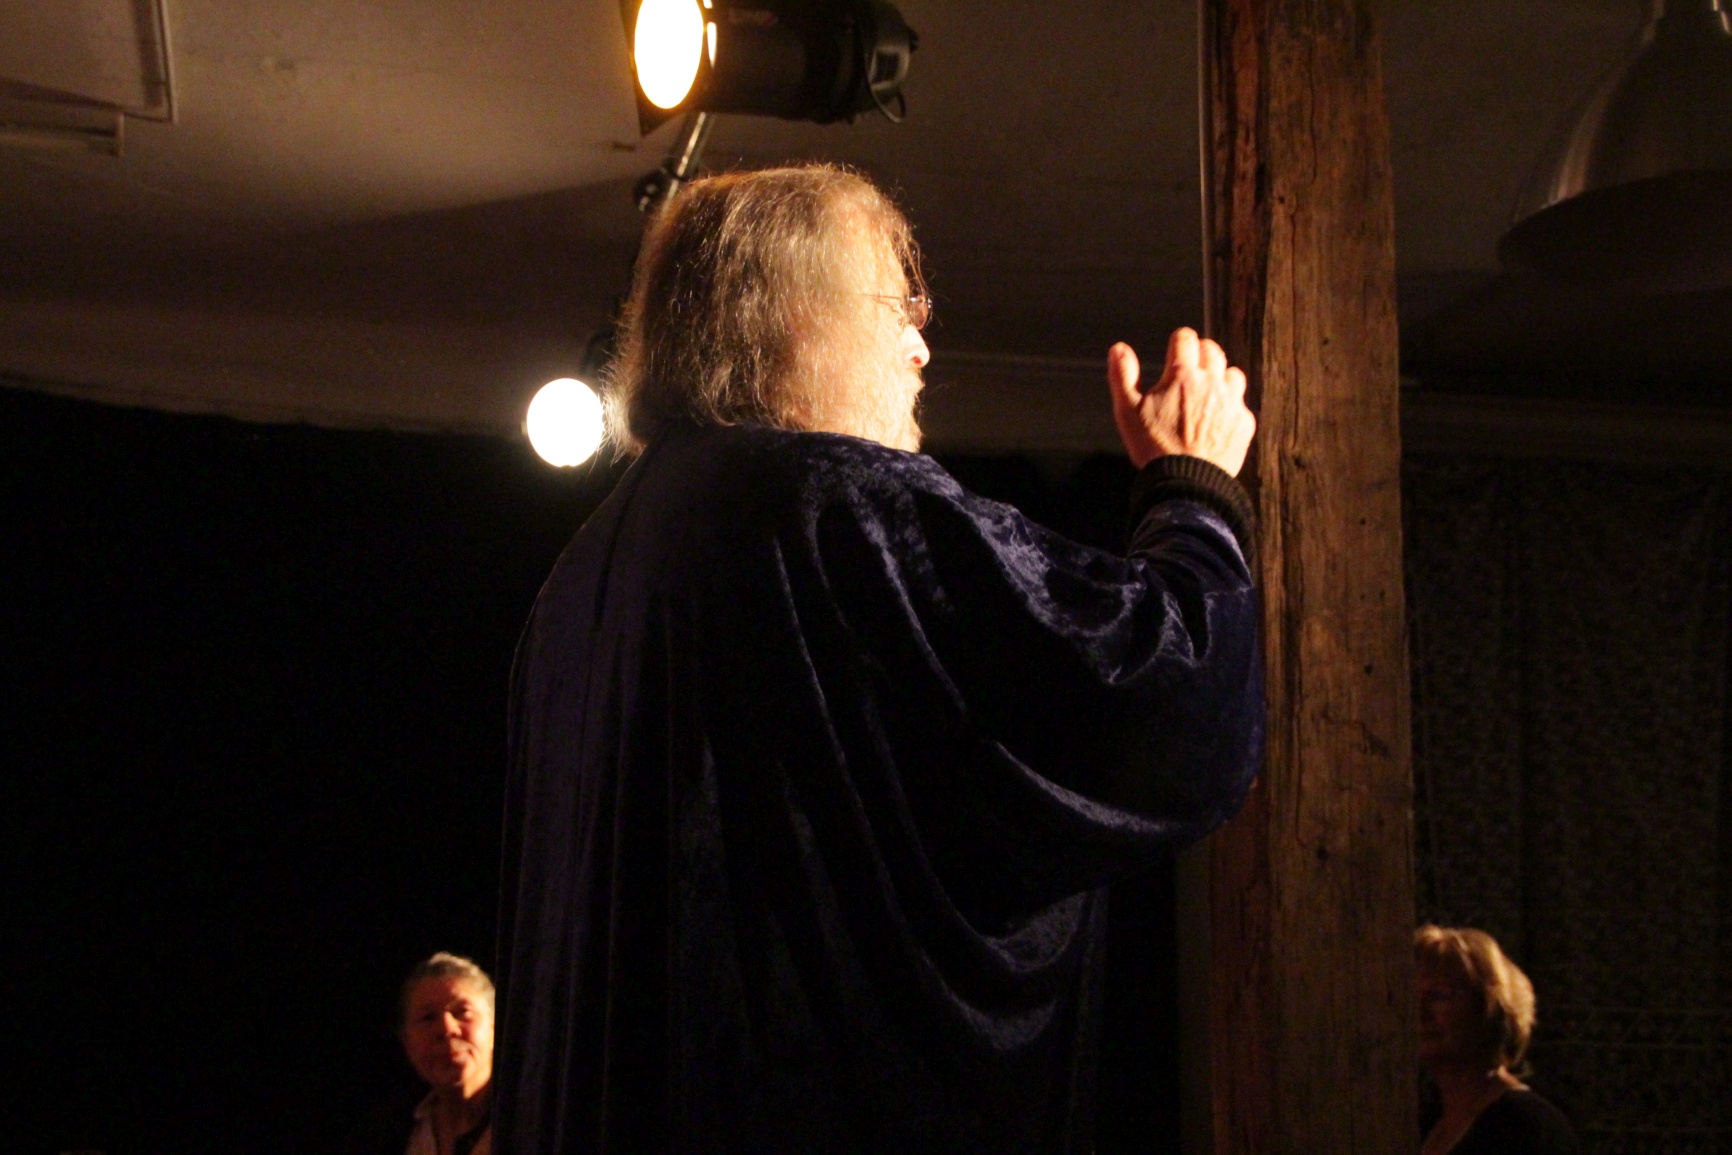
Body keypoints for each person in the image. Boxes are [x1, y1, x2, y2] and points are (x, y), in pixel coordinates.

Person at [495, 164, 1263, 1153]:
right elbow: (1160, 700)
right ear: (796, 316)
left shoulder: (581, 575)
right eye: (901, 305)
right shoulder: (830, 505)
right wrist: (1191, 487)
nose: (921, 344)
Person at [1416, 925, 1579, 1155]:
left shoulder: (1528, 1127)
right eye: (1411, 996)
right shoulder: (1423, 1120)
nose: (1419, 1013)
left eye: (1438, 996)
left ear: (1489, 1007)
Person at [399, 953, 495, 1155]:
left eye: (462, 1012)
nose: (447, 1028)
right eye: (428, 1018)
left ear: (494, 1028)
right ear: (407, 1041)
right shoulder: (392, 1132)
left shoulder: (535, 1119)